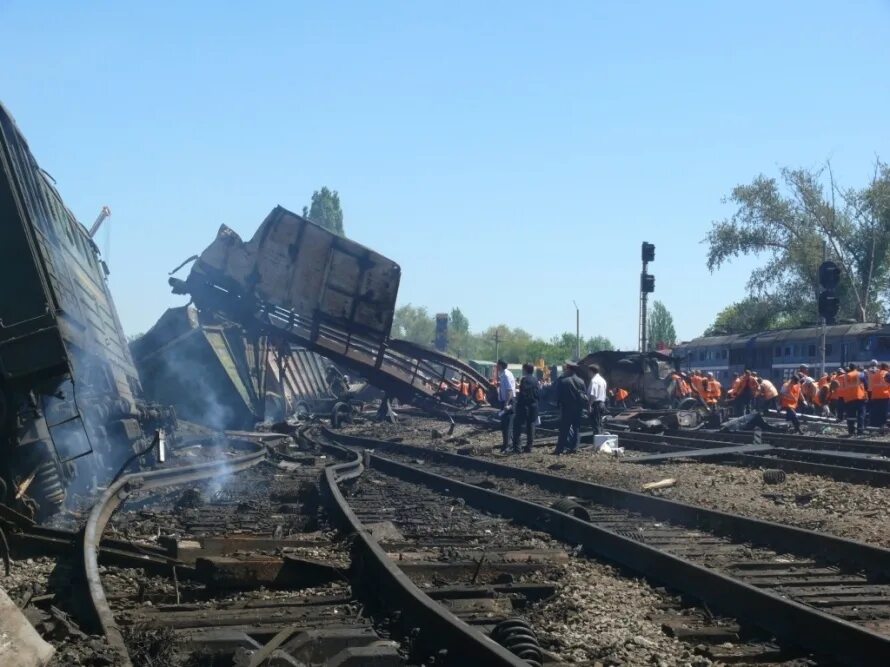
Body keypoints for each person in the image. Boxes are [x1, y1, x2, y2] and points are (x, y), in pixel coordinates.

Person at [555, 362, 587, 455]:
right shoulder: (581, 381)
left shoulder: (563, 381)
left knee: (564, 429)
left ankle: (560, 448)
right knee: (576, 428)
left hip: (567, 408)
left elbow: (558, 395)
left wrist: (558, 405)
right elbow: (584, 395)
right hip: (578, 409)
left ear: (569, 369)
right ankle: (575, 447)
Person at [512, 363, 540, 453]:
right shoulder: (536, 380)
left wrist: (517, 404)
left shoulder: (524, 380)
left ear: (525, 370)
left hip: (525, 406)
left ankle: (517, 448)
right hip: (534, 406)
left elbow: (523, 394)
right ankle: (529, 446)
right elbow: (538, 394)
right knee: (531, 426)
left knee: (517, 426)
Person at [836, 363, 868, 436]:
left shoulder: (844, 376)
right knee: (861, 415)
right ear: (856, 367)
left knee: (850, 416)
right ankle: (860, 431)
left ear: (849, 368)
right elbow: (866, 384)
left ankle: (851, 431)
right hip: (859, 397)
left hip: (849, 399)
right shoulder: (860, 374)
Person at [496, 360, 517, 453]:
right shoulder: (503, 374)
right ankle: (506, 445)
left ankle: (507, 446)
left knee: (507, 425)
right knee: (504, 425)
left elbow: (509, 390)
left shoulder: (507, 375)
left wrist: (506, 404)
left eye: (497, 365)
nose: (496, 366)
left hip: (508, 402)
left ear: (500, 365)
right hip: (504, 401)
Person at [868, 362, 890, 433]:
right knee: (883, 414)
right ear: (886, 367)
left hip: (875, 396)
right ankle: (882, 430)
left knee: (876, 413)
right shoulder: (887, 374)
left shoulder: (875, 374)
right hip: (884, 396)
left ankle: (873, 428)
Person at [587, 364, 608, 435]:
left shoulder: (594, 381)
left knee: (596, 425)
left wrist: (589, 405)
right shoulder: (602, 380)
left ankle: (598, 443)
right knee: (600, 424)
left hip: (596, 404)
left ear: (591, 371)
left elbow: (593, 395)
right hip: (602, 403)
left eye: (589, 371)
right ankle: (600, 439)